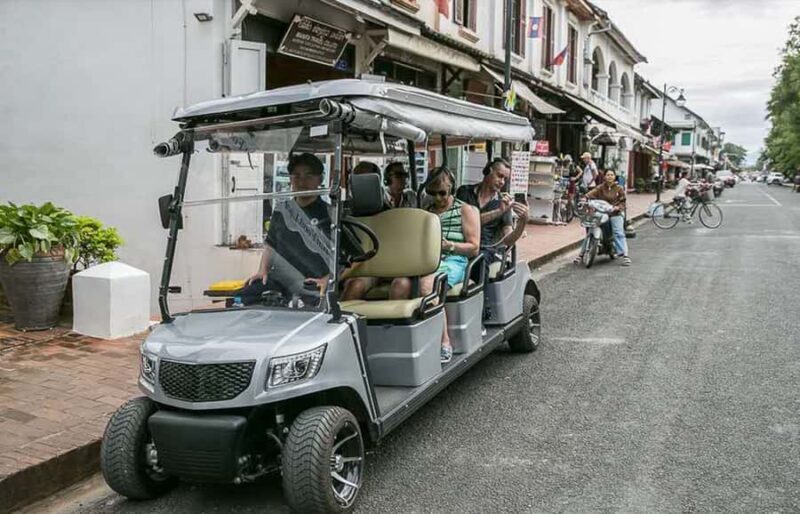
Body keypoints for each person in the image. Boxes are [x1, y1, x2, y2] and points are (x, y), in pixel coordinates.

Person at [238, 153, 334, 304]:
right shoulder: (282, 210)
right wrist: (262, 271)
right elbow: (271, 246)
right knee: (242, 298)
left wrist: (326, 280)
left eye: (308, 176)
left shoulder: (330, 214)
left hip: (311, 283)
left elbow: (344, 258)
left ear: (320, 179)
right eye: (296, 176)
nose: (302, 181)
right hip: (280, 280)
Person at [420, 167, 480, 363]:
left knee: (427, 284)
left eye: (442, 193)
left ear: (451, 188)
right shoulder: (427, 213)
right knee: (400, 285)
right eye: (432, 193)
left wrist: (450, 246)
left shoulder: (465, 210)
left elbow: (474, 248)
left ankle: (444, 341)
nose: (438, 198)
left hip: (454, 260)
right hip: (428, 260)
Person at [456, 158, 529, 268]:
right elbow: (463, 221)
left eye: (505, 179)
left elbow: (508, 239)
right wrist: (497, 212)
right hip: (460, 244)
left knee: (480, 262)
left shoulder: (503, 203)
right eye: (499, 176)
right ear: (488, 171)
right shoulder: (465, 192)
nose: (502, 182)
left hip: (484, 250)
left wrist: (522, 222)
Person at [575, 169, 631, 267]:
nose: (610, 176)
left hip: (615, 213)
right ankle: (581, 254)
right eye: (608, 175)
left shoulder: (619, 188)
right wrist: (585, 198)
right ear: (604, 177)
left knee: (618, 232)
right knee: (590, 229)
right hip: (602, 213)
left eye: (612, 175)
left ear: (614, 177)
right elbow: (592, 193)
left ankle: (625, 255)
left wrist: (618, 208)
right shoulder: (600, 187)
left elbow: (623, 202)